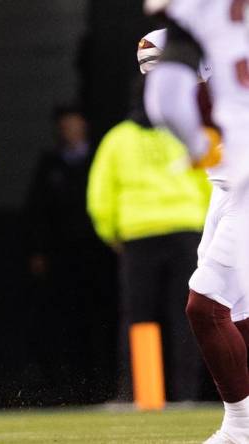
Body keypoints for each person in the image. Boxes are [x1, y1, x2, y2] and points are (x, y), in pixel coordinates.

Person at [143, 12, 249, 441]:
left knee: (204, 304)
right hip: (229, 187)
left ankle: (240, 427)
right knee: (238, 311)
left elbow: (164, 93)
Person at [88, 66, 211, 403]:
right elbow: (209, 182)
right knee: (185, 315)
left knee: (139, 316)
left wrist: (110, 231)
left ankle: (141, 395)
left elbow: (100, 194)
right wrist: (206, 230)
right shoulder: (185, 132)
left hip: (137, 233)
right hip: (186, 230)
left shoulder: (117, 139)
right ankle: (186, 394)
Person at [25, 105, 117, 401]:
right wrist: (38, 250)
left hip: (99, 252)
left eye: (74, 125)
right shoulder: (49, 164)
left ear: (84, 126)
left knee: (104, 319)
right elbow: (37, 212)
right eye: (64, 126)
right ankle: (71, 387)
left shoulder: (100, 158)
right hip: (62, 255)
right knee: (67, 322)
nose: (69, 131)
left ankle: (106, 384)